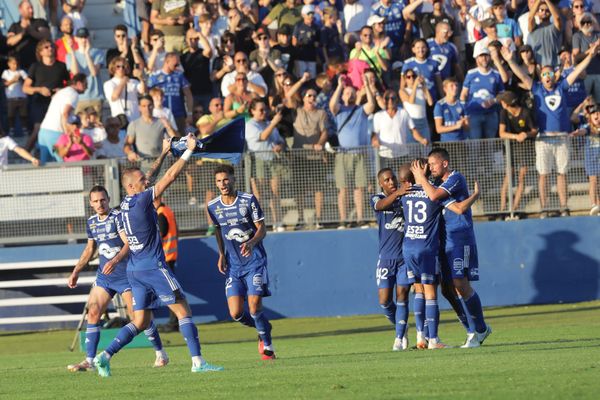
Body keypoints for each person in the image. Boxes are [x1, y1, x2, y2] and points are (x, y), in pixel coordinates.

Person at [93, 135, 224, 376]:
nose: (146, 180)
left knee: (141, 321)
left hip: (134, 270)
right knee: (184, 311)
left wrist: (164, 152)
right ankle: (198, 363)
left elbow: (150, 176)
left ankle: (105, 355)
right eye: (142, 180)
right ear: (133, 186)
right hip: (154, 266)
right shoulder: (143, 200)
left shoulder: (124, 204)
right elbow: (169, 178)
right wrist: (188, 152)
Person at [66, 185, 169, 372]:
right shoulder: (92, 222)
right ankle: (89, 360)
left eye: (103, 200)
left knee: (138, 317)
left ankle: (160, 353)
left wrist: (115, 259)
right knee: (93, 311)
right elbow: (90, 249)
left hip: (128, 275)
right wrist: (76, 271)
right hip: (105, 277)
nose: (100, 204)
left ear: (108, 199)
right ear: (90, 203)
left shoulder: (118, 217)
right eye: (96, 201)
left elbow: (128, 243)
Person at [502, 42, 600, 217]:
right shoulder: (537, 88)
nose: (547, 76)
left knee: (562, 174)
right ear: (541, 76)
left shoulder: (562, 86)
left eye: (550, 73)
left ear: (554, 75)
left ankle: (564, 207)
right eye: (544, 73)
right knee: (544, 175)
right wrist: (510, 61)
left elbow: (577, 71)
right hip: (544, 139)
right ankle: (544, 208)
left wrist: (590, 56)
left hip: (562, 138)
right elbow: (522, 76)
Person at [412, 148, 491, 348]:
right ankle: (474, 330)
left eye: (433, 164)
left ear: (444, 163)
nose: (430, 168)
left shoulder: (456, 178)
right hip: (444, 241)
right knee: (449, 290)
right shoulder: (439, 184)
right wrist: (473, 197)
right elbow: (458, 208)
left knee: (460, 283)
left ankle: (479, 330)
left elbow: (434, 196)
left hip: (460, 238)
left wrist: (421, 178)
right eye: (428, 165)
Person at [207, 164, 276, 360]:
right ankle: (263, 328)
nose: (223, 184)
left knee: (254, 307)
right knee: (236, 313)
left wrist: (252, 242)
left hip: (254, 262)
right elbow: (219, 230)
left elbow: (262, 229)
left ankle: (268, 347)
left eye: (226, 179)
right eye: (219, 181)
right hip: (233, 266)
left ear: (234, 179)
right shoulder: (213, 206)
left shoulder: (247, 200)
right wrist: (221, 254)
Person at [371, 168, 410, 351]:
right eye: (387, 180)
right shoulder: (377, 199)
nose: (391, 182)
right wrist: (398, 194)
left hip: (404, 258)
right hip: (386, 259)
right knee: (384, 300)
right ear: (381, 184)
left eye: (393, 178)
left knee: (402, 296)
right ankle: (401, 325)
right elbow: (380, 206)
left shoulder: (405, 198)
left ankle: (399, 338)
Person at [329, 75, 376, 228]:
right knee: (343, 189)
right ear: (342, 96)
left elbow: (371, 105)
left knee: (359, 188)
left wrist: (367, 85)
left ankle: (360, 218)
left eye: (352, 93)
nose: (350, 95)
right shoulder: (339, 110)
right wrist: (340, 86)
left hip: (360, 155)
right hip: (343, 155)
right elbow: (332, 105)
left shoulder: (360, 110)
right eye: (347, 93)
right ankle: (344, 219)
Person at [245, 98, 287, 232]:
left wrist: (280, 145)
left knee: (275, 193)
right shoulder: (250, 125)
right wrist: (274, 122)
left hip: (273, 161)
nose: (264, 112)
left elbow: (280, 140)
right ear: (252, 111)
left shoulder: (269, 123)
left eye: (265, 109)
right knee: (259, 196)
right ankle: (259, 225)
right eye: (261, 110)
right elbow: (262, 136)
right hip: (258, 161)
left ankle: (277, 222)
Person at [497, 90, 537, 215]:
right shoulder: (503, 113)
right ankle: (503, 209)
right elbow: (501, 133)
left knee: (522, 177)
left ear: (506, 103)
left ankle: (514, 208)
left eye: (503, 101)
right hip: (511, 146)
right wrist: (516, 136)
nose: (501, 103)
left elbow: (534, 130)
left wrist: (526, 134)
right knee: (509, 175)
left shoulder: (525, 113)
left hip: (526, 147)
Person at [372, 89, 427, 171]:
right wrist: (375, 141)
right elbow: (374, 134)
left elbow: (413, 130)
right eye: (387, 98)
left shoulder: (404, 113)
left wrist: (422, 139)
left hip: (402, 154)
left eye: (392, 98)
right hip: (384, 154)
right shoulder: (378, 115)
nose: (390, 100)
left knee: (404, 180)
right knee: (385, 181)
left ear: (397, 99)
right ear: (383, 100)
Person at [37, 73, 87, 163]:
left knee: (44, 166)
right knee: (63, 163)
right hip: (55, 134)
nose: (87, 88)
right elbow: (65, 113)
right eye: (85, 84)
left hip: (43, 132)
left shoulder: (62, 91)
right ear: (79, 83)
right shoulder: (73, 94)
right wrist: (66, 132)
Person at [460, 46, 506, 140]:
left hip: (491, 114)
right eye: (481, 56)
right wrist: (465, 114)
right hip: (473, 114)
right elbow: (463, 95)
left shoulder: (496, 74)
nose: (484, 58)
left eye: (486, 56)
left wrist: (493, 101)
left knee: (490, 144)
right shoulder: (471, 74)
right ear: (477, 58)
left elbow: (502, 94)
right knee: (475, 145)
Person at [147, 52, 194, 134]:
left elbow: (188, 95)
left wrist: (189, 113)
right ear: (167, 62)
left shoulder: (179, 75)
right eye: (175, 64)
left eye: (178, 64)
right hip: (161, 114)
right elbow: (148, 94)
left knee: (179, 141)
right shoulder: (155, 76)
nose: (178, 66)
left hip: (178, 114)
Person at [153, 196, 180, 332]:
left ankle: (174, 322)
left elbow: (161, 233)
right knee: (172, 290)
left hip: (165, 258)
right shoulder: (167, 210)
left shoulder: (161, 213)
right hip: (170, 256)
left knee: (171, 291)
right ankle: (174, 321)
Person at [124, 95, 177, 162]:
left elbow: (176, 139)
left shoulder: (162, 122)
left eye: (149, 105)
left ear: (153, 106)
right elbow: (127, 144)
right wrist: (130, 153)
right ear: (139, 108)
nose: (147, 108)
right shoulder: (134, 124)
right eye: (144, 106)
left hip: (161, 162)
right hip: (143, 163)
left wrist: (169, 127)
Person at [7, 0, 51, 67]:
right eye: (28, 8)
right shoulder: (14, 26)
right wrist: (22, 33)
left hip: (38, 64)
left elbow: (46, 35)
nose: (31, 10)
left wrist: (31, 31)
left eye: (31, 8)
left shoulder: (40, 22)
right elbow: (9, 42)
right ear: (20, 10)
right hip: (20, 65)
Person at [104, 56, 146, 123]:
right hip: (119, 120)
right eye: (118, 66)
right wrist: (123, 81)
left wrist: (141, 78)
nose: (121, 69)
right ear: (113, 68)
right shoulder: (109, 83)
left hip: (134, 118)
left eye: (123, 67)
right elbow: (114, 97)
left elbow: (143, 91)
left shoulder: (133, 81)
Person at [527, 0, 562, 68]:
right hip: (538, 67)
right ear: (537, 12)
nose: (544, 12)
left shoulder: (554, 28)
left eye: (547, 10)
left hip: (554, 66)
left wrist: (547, 0)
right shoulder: (534, 28)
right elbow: (530, 18)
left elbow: (557, 18)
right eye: (541, 10)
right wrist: (538, 1)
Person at [434, 77, 469, 142]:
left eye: (456, 85)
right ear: (445, 89)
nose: (455, 88)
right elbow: (438, 129)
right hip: (447, 143)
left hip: (461, 141)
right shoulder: (440, 105)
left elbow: (467, 128)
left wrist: (464, 123)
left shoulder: (462, 104)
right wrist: (456, 126)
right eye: (452, 86)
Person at [2, 56, 29, 136]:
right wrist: (13, 80)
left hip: (22, 97)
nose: (15, 66)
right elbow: (4, 84)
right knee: (11, 116)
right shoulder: (6, 72)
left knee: (24, 115)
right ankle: (11, 130)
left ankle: (25, 130)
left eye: (17, 64)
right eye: (13, 64)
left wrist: (22, 80)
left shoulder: (21, 72)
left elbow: (28, 81)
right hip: (11, 98)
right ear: (9, 64)